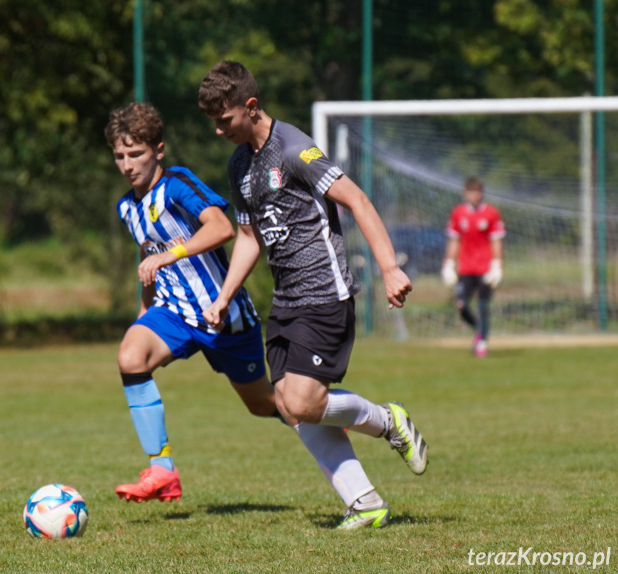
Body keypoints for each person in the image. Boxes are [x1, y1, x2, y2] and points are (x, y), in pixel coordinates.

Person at [198, 60, 428, 529]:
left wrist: (388, 268)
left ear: (251, 106)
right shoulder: (239, 165)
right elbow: (248, 238)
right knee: (287, 406)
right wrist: (223, 297)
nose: (219, 130)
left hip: (325, 293)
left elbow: (357, 200)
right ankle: (364, 502)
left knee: (302, 401)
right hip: (286, 300)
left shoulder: (294, 149)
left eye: (225, 120)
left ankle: (387, 420)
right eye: (213, 123)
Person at [105, 102, 281, 503]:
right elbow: (149, 257)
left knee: (265, 404)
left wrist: (169, 255)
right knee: (130, 357)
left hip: (224, 316)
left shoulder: (178, 184)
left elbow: (222, 229)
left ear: (159, 151)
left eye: (136, 154)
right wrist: (144, 312)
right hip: (173, 313)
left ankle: (327, 414)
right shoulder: (126, 208)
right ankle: (163, 470)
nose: (127, 164)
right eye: (120, 155)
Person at [441, 177, 506, 358]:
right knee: (461, 304)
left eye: (477, 192)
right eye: (470, 192)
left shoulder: (491, 213)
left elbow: (496, 241)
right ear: (465, 193)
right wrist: (449, 264)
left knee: (483, 306)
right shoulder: (458, 213)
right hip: (466, 269)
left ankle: (482, 343)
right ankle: (479, 330)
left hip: (485, 268)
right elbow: (454, 240)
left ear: (481, 193)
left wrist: (497, 265)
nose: (474, 196)